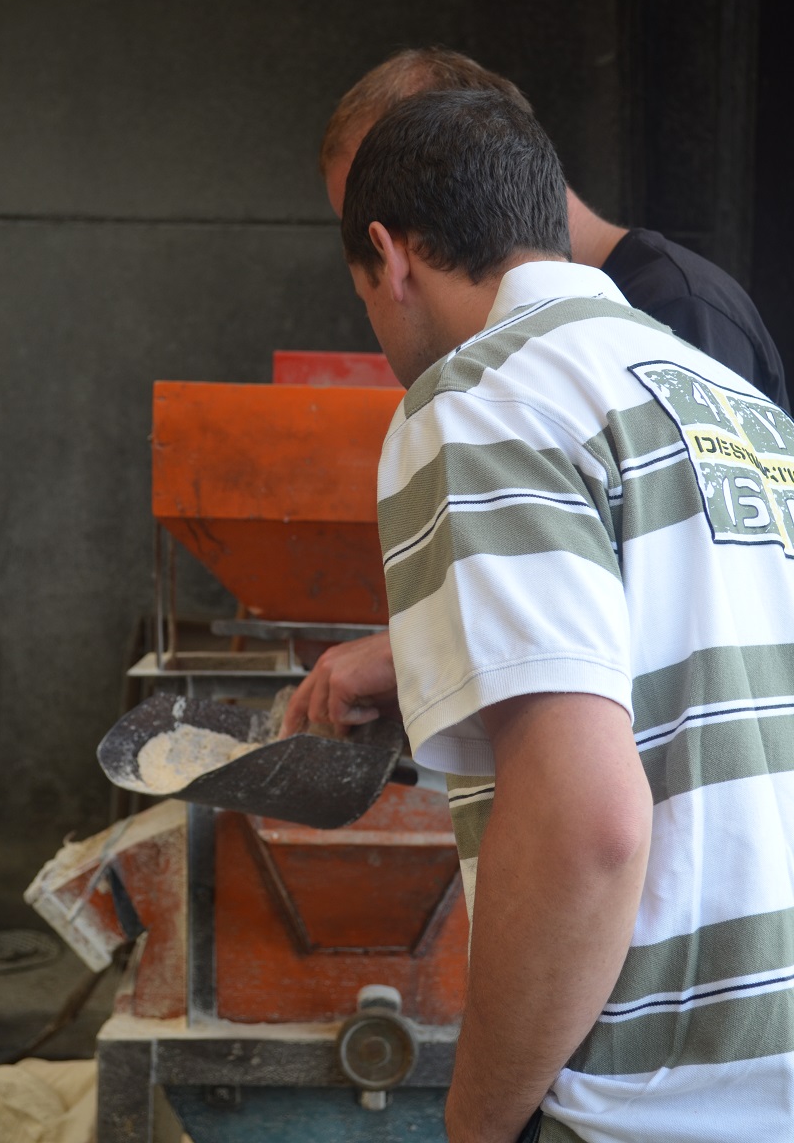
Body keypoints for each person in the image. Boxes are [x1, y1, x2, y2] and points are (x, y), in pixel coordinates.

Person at [337, 88, 794, 1142]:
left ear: (390, 258)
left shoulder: (478, 400)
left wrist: (478, 1122)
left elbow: (586, 825)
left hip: (661, 1105)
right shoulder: (726, 398)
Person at [282, 46, 789, 736]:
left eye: (374, 213)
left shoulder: (498, 394)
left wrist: (422, 656)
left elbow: (687, 631)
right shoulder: (608, 343)